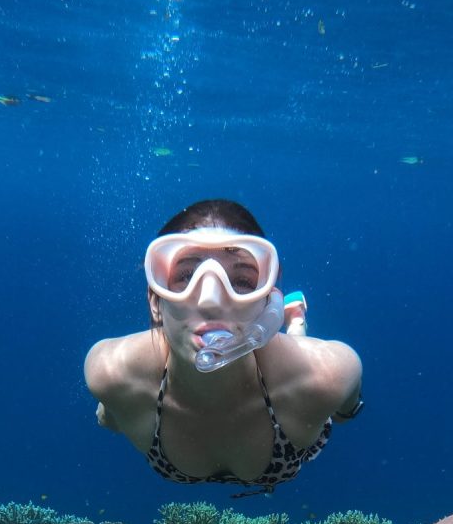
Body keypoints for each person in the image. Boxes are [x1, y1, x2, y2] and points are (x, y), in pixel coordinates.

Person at [84, 199, 363, 495]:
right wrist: (110, 410)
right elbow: (111, 415)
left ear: (268, 303)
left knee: (299, 352)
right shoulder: (111, 374)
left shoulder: (325, 377)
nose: (210, 301)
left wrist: (345, 410)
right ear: (156, 302)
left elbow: (346, 407)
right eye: (186, 276)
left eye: (242, 281)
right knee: (106, 417)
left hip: (289, 370)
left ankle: (295, 321)